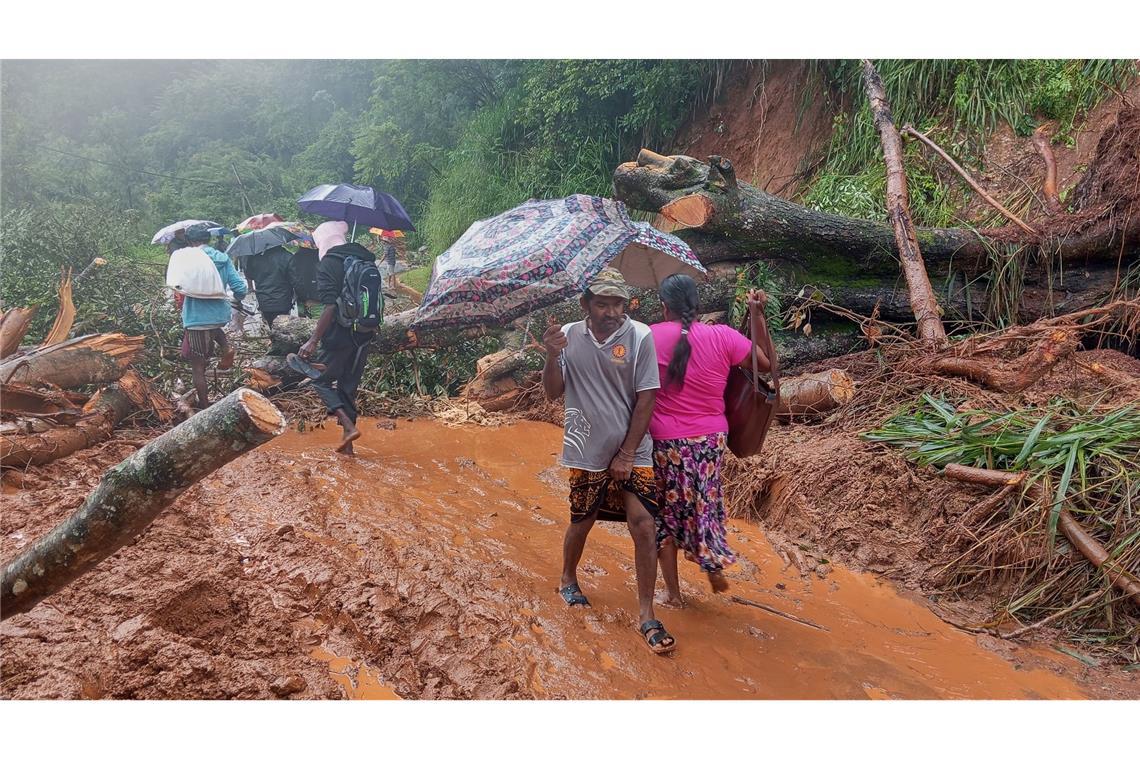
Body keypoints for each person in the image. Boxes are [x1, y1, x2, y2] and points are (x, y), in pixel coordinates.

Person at [541, 267, 676, 655]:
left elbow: (648, 396)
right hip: (585, 449)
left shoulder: (640, 336)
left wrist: (629, 452)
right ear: (586, 304)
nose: (612, 311)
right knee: (581, 521)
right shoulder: (568, 336)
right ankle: (568, 578)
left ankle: (647, 614)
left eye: (617, 302)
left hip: (634, 448)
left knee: (644, 524)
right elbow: (553, 392)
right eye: (602, 303)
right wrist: (552, 357)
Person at [648, 274, 771, 606]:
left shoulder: (648, 337)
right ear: (698, 304)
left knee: (667, 514)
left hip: (666, 442)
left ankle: (674, 595)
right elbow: (766, 365)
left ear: (664, 307)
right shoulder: (724, 337)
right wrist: (758, 317)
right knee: (705, 502)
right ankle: (712, 559)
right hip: (711, 440)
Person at [299, 221, 376, 455]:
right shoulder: (365, 259)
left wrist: (312, 340)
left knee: (319, 380)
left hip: (339, 335)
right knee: (348, 388)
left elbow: (329, 307)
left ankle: (349, 426)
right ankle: (348, 447)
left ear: (322, 242)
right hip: (364, 333)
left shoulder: (329, 264)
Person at [176, 223, 247, 410]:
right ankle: (225, 347)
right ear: (209, 239)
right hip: (219, 314)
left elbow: (176, 284)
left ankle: (204, 407)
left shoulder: (188, 260)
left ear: (190, 241)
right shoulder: (222, 258)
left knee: (198, 367)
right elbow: (240, 288)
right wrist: (238, 299)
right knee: (214, 328)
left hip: (196, 318)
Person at [242, 244, 295, 326]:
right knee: (283, 329)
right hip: (283, 301)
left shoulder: (255, 258)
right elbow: (294, 278)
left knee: (269, 327)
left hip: (264, 301)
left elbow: (250, 275)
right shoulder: (287, 256)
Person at [288, 245, 321, 317]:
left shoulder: (296, 257)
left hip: (302, 298)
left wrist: (303, 297)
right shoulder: (322, 255)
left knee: (302, 325)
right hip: (318, 298)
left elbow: (295, 280)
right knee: (319, 324)